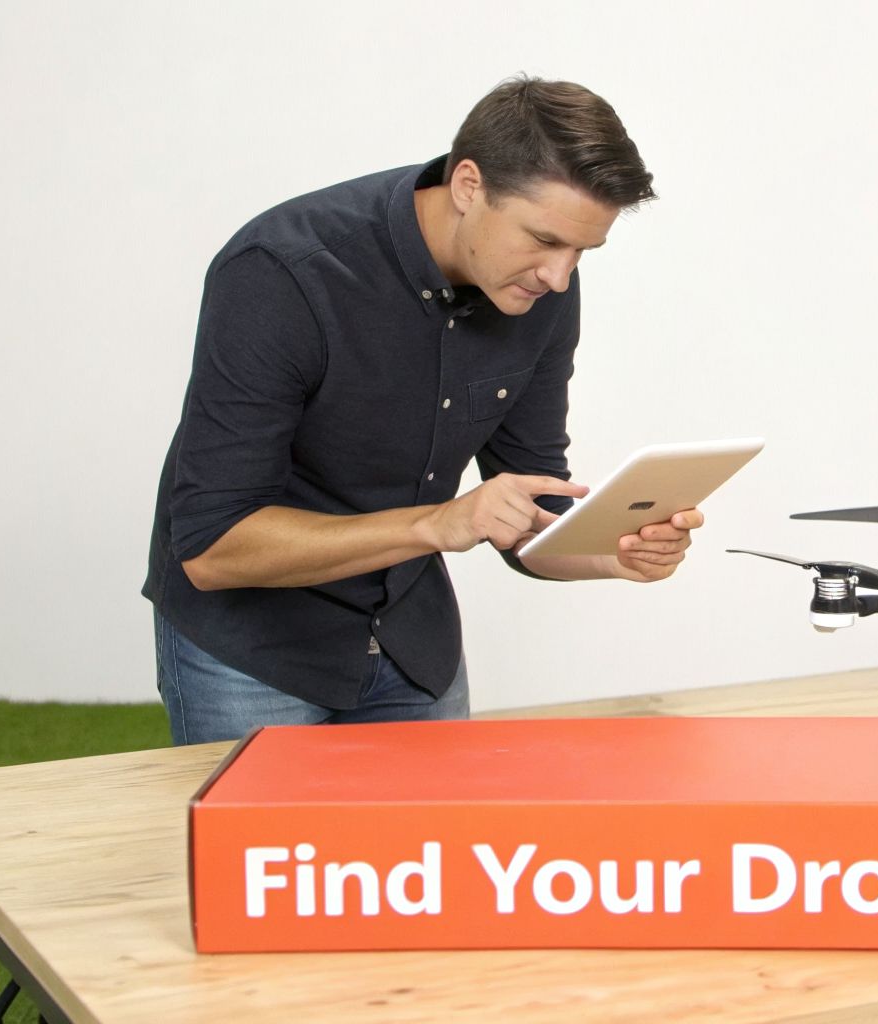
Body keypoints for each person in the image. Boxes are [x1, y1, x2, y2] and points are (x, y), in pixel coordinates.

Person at [143, 77, 698, 745]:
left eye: (582, 252)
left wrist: (610, 554)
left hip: (411, 641)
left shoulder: (543, 287)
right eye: (544, 239)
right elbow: (211, 548)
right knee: (262, 855)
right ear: (469, 186)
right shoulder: (283, 273)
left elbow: (530, 510)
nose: (559, 276)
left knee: (431, 853)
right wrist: (439, 523)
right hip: (253, 653)